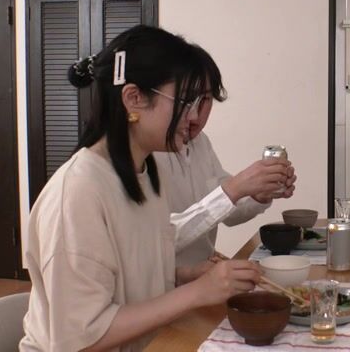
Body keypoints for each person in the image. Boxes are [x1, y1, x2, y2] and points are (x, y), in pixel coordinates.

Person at [21, 25, 262, 352]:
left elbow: (127, 277)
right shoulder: (78, 193)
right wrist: (197, 292)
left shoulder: (147, 173)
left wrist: (186, 275)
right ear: (134, 99)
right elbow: (80, 338)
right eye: (185, 102)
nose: (194, 118)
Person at [154, 47, 297, 266]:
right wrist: (233, 189)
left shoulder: (201, 142)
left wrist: (259, 194)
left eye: (205, 99)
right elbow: (155, 242)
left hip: (205, 276)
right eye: (186, 100)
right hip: (169, 283)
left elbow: (227, 212)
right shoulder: (146, 153)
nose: (194, 114)